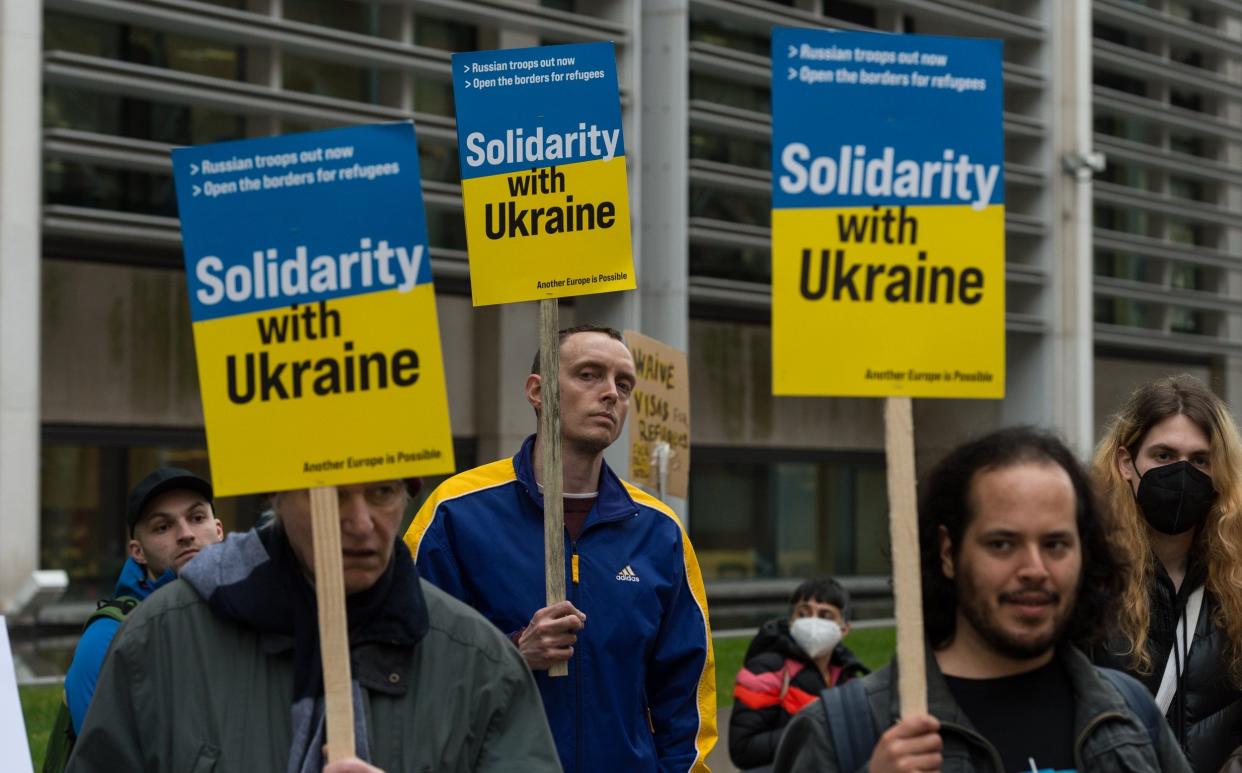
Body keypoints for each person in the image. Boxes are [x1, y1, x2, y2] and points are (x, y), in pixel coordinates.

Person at [67, 478, 560, 772]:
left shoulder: (480, 664)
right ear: (277, 497)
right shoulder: (160, 642)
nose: (362, 522)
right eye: (331, 495)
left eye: (383, 492)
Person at [774, 426, 1190, 773]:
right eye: (1002, 544)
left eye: (1056, 544)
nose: (1034, 569)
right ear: (948, 553)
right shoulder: (842, 732)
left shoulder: (1131, 716)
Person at [405, 324, 716, 772]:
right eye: (589, 374)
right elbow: (410, 664)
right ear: (538, 390)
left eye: (623, 384)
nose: (611, 393)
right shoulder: (454, 513)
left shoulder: (659, 531)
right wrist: (512, 654)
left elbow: (687, 698)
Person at [1091, 374, 1242, 772]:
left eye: (1199, 460)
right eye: (1163, 455)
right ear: (1126, 463)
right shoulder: (1088, 575)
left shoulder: (1236, 577)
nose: (1182, 472)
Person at [51, 467, 224, 763]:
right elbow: (105, 760)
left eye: (197, 518)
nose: (186, 534)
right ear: (137, 551)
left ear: (218, 530)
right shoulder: (108, 637)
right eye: (162, 527)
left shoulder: (249, 615)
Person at [729, 577, 868, 771]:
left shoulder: (849, 679)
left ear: (844, 628)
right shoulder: (766, 669)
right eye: (803, 613)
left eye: (825, 615)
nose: (813, 622)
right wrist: (820, 729)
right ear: (791, 621)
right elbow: (743, 749)